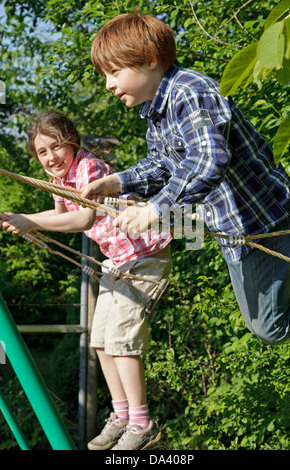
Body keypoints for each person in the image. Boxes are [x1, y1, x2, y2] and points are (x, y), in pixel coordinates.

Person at [81, 12, 290, 346]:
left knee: (270, 328)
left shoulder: (191, 91)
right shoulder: (156, 111)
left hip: (265, 219)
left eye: (114, 72)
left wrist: (154, 211)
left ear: (150, 60)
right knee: (264, 325)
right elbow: (162, 166)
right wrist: (115, 182)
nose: (108, 84)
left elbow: (208, 158)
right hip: (234, 231)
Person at [0, 111, 172, 450]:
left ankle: (142, 424)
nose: (51, 158)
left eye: (57, 147)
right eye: (42, 153)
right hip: (117, 261)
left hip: (143, 257)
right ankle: (121, 415)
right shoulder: (58, 180)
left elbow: (84, 217)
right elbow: (60, 215)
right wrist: (21, 219)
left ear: (72, 143)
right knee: (101, 341)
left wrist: (30, 221)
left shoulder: (88, 168)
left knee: (122, 339)